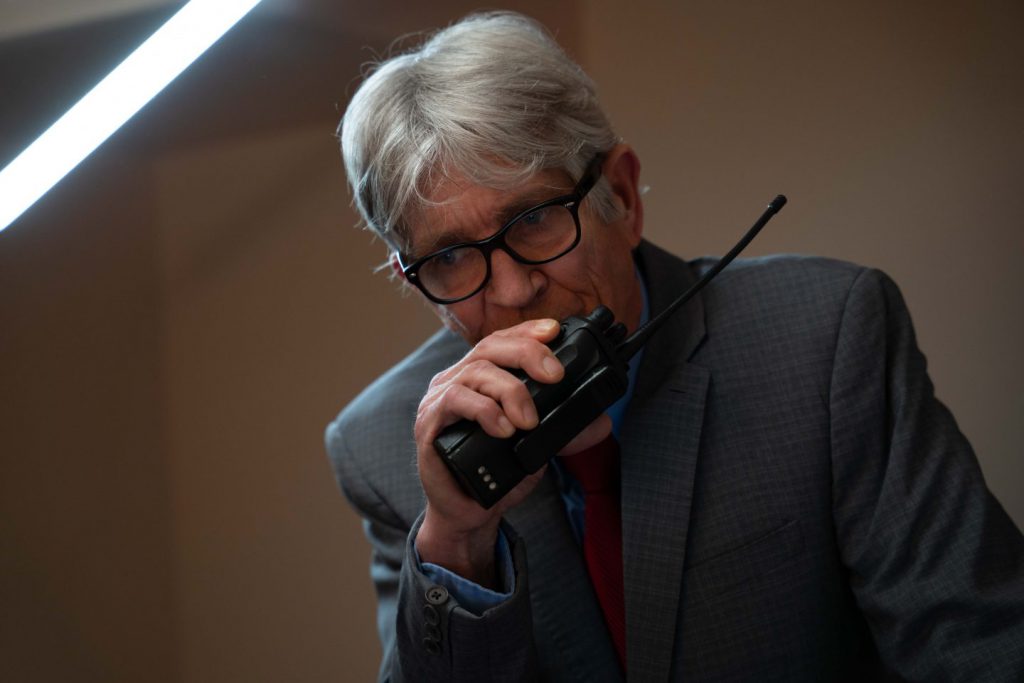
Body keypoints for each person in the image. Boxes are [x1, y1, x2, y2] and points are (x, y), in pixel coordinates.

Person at [325, 11, 1024, 682]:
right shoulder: (384, 449)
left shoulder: (826, 337)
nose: (511, 292)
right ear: (417, 284)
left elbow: (979, 643)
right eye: (451, 258)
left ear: (623, 195)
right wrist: (457, 539)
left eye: (535, 218)